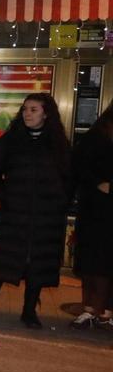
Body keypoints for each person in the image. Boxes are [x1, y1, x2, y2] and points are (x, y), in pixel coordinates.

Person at [0, 94, 70, 329]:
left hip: (47, 216)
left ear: (46, 114)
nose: (27, 114)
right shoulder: (11, 140)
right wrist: (5, 196)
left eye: (34, 110)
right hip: (15, 213)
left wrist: (59, 202)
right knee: (2, 261)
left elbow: (69, 177)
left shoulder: (58, 143)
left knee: (38, 263)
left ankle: (29, 312)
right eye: (25, 109)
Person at [70, 100, 113, 331]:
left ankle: (105, 310)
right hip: (95, 210)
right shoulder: (96, 136)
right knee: (94, 261)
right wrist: (97, 183)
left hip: (99, 209)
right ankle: (91, 308)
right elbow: (79, 167)